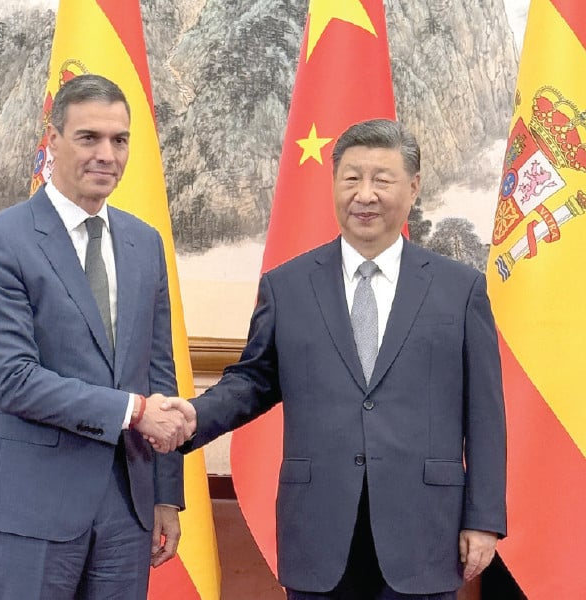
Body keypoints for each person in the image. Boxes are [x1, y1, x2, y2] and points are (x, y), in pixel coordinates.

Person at [165, 119, 507, 599]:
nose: (364, 194)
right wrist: (191, 416)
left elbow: (486, 414)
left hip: (425, 530)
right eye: (351, 178)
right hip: (319, 526)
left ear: (412, 188)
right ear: (333, 185)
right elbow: (255, 381)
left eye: (381, 180)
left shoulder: (459, 290)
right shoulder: (288, 286)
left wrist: (484, 519)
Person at [0, 73, 193, 599]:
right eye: (89, 137)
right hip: (32, 506)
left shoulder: (144, 242)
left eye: (120, 139)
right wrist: (133, 411)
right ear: (53, 139)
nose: (106, 154)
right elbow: (14, 379)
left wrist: (165, 495)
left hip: (127, 510)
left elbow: (159, 371)